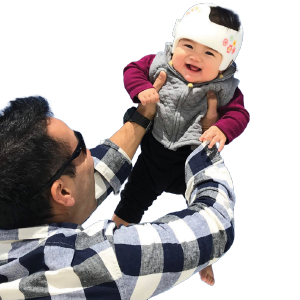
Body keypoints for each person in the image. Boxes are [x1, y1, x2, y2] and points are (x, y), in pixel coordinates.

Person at [0, 72, 234, 299]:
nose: (91, 154)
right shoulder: (86, 265)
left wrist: (144, 115)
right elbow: (216, 226)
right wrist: (204, 140)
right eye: (81, 145)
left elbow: (94, 172)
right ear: (62, 191)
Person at [113, 3, 249, 285]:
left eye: (209, 53)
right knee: (131, 202)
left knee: (204, 211)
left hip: (188, 161)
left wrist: (224, 128)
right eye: (188, 45)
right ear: (176, 43)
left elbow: (240, 115)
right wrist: (142, 89)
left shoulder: (226, 88)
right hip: (153, 154)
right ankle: (114, 235)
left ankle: (205, 258)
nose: (195, 57)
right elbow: (131, 70)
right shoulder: (158, 63)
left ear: (224, 62)